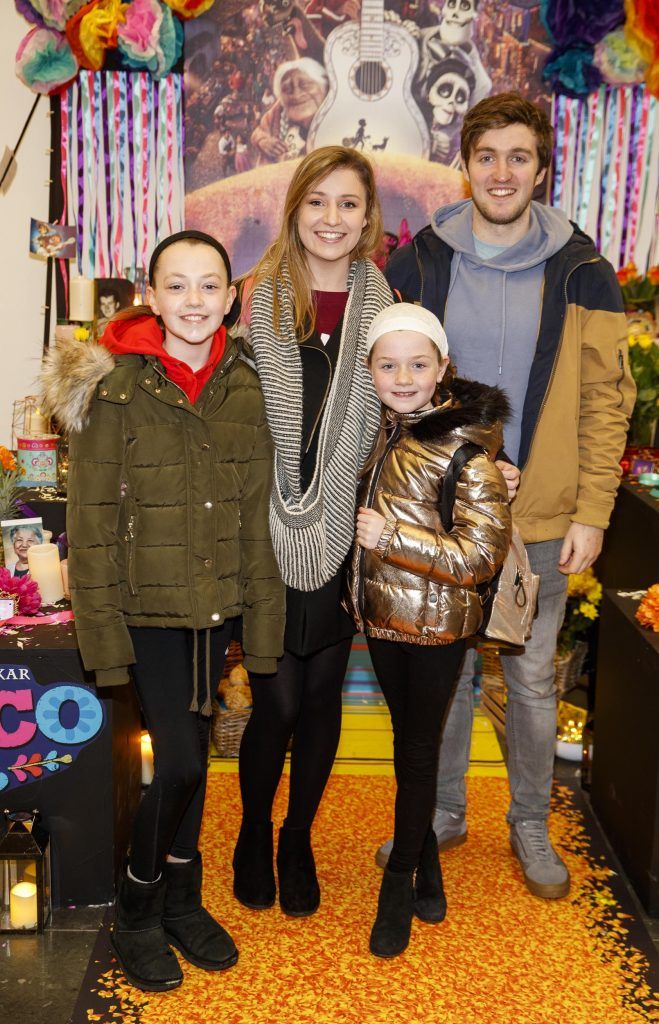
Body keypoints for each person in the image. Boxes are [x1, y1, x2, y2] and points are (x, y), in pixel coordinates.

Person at [380, 93, 635, 899]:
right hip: (439, 514)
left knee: (527, 679)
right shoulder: (418, 262)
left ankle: (529, 822)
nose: (500, 172)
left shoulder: (584, 271)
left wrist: (592, 510)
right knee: (444, 671)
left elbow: (606, 402)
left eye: (517, 156)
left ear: (541, 167)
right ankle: (441, 811)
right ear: (465, 163)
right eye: (486, 155)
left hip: (543, 513)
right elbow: (384, 384)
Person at [41, 230, 285, 992]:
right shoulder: (114, 385)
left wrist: (262, 621)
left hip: (216, 606)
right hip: (144, 606)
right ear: (149, 292)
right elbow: (90, 520)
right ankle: (136, 910)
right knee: (175, 759)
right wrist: (102, 635)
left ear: (230, 295)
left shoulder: (245, 380)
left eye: (208, 285)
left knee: (197, 760)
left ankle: (183, 896)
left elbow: (257, 511)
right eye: (175, 285)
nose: (193, 301)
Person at [232, 145, 393, 917]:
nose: (332, 218)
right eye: (318, 202)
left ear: (367, 219)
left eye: (348, 204)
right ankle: (252, 832)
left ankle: (298, 836)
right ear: (295, 207)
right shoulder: (255, 300)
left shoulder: (384, 307)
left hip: (342, 527)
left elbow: (406, 408)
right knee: (278, 703)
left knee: (323, 697)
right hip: (264, 525)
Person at [344, 302, 511, 957]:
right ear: (371, 371)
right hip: (383, 622)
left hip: (438, 629)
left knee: (417, 755)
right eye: (388, 364)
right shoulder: (384, 432)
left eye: (417, 363)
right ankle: (428, 869)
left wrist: (395, 538)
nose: (403, 375)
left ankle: (397, 886)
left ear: (442, 367)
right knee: (407, 743)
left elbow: (480, 556)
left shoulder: (465, 454)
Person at [251, 58, 328, 164]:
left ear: (323, 87)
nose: (296, 94)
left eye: (305, 85)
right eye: (287, 89)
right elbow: (258, 133)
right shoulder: (276, 114)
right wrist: (263, 141)